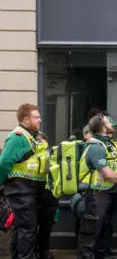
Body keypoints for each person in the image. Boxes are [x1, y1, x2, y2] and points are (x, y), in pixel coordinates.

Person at [0, 103, 49, 259]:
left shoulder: (30, 136)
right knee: (28, 230)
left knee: (21, 229)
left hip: (27, 191)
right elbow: (4, 163)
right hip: (21, 191)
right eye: (36, 117)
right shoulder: (18, 137)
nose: (40, 120)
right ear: (25, 119)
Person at [76, 114, 117, 259]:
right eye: (108, 122)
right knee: (90, 232)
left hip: (106, 192)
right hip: (95, 194)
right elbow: (107, 173)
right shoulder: (96, 147)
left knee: (103, 227)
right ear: (103, 127)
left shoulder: (106, 144)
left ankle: (101, 254)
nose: (111, 123)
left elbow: (114, 164)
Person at [94, 115, 117, 259]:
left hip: (113, 188)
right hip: (101, 189)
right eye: (111, 126)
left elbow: (116, 162)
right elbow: (106, 168)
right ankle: (100, 251)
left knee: (108, 220)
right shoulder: (97, 144)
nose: (113, 129)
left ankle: (106, 247)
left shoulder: (112, 144)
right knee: (100, 222)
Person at [36, 132, 60, 259]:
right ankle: (34, 251)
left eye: (42, 140)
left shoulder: (52, 155)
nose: (40, 143)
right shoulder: (30, 156)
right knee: (31, 227)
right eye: (37, 141)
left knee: (46, 227)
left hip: (50, 194)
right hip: (34, 194)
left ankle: (44, 252)